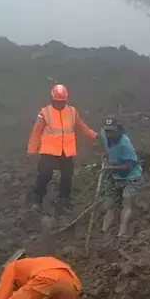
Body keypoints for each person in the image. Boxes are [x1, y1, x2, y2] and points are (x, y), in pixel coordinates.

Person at [27, 84, 98, 215]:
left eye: (62, 101)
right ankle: (37, 199)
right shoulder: (44, 112)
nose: (60, 104)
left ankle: (64, 200)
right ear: (52, 99)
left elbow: (81, 126)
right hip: (49, 149)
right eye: (58, 101)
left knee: (67, 176)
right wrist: (32, 150)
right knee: (45, 174)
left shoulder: (72, 111)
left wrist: (94, 135)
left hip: (67, 149)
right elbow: (36, 132)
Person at [99, 118, 143, 238]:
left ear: (119, 130)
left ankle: (122, 232)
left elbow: (128, 167)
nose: (108, 134)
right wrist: (106, 154)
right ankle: (103, 231)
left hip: (131, 176)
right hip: (116, 175)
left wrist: (108, 169)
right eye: (107, 131)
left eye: (111, 131)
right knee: (110, 205)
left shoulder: (125, 144)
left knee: (126, 202)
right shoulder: (106, 136)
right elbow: (103, 139)